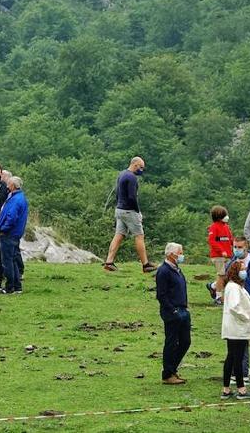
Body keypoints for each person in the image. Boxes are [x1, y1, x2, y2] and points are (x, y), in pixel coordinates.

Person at [104, 156, 155, 273]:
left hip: (119, 209)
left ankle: (109, 262)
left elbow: (117, 193)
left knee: (119, 235)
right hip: (129, 211)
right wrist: (138, 211)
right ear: (135, 164)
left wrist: (119, 205)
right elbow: (132, 197)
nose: (141, 170)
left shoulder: (122, 174)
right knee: (139, 235)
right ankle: (145, 264)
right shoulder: (132, 177)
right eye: (141, 167)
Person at [155, 242, 190, 384]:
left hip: (183, 310)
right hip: (172, 312)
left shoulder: (177, 270)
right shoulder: (163, 271)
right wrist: (173, 310)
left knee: (185, 342)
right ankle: (168, 374)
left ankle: (172, 369)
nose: (181, 255)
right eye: (179, 253)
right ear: (171, 254)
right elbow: (161, 295)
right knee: (171, 342)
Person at [221, 260, 250, 398]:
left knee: (232, 357)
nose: (245, 271)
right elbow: (234, 307)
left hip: (235, 328)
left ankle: (226, 389)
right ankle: (241, 389)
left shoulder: (235, 286)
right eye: (243, 268)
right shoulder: (233, 287)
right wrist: (246, 317)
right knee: (237, 359)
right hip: (237, 329)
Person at [0, 176, 29, 295]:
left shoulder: (15, 200)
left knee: (7, 261)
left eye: (9, 184)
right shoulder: (20, 197)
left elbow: (11, 217)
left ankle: (9, 286)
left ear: (13, 186)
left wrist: (3, 229)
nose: (7, 186)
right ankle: (17, 286)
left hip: (9, 234)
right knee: (14, 259)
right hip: (15, 234)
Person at [208, 206, 235, 304]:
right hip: (218, 256)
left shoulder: (226, 227)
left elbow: (230, 239)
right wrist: (221, 250)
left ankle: (213, 286)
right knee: (222, 275)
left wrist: (236, 246)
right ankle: (218, 297)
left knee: (228, 275)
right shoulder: (214, 227)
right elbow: (212, 241)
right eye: (224, 215)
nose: (226, 217)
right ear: (218, 217)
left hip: (228, 255)